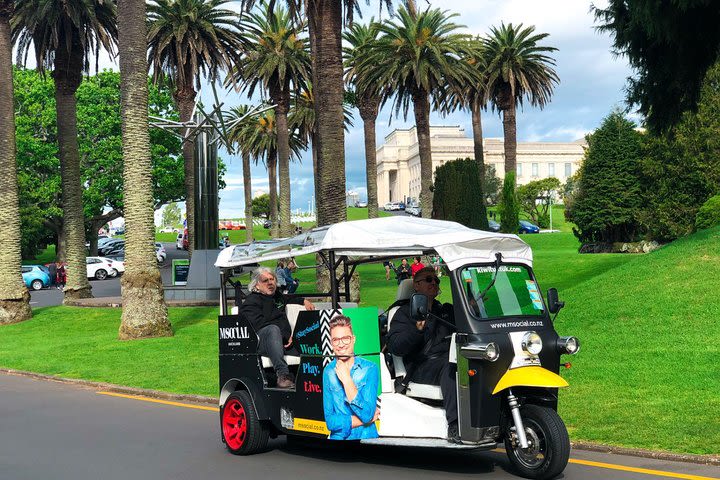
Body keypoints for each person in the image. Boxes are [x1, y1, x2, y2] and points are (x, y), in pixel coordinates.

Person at [386, 266, 459, 443]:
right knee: (451, 368)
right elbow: (396, 346)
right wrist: (417, 331)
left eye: (436, 280)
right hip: (421, 365)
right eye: (428, 280)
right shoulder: (403, 313)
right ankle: (456, 425)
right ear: (416, 286)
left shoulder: (446, 311)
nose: (433, 282)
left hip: (448, 357)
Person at [241, 267, 315, 389]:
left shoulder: (277, 297)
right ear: (257, 285)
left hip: (284, 342)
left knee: (307, 339)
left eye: (272, 279)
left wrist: (304, 301)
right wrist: (283, 336)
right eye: (265, 280)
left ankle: (314, 378)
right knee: (272, 329)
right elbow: (256, 325)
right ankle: (283, 375)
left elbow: (289, 298)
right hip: (261, 342)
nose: (270, 283)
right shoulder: (251, 301)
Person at [323, 315, 380, 440]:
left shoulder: (370, 369)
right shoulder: (328, 372)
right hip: (339, 439)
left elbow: (366, 414)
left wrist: (347, 380)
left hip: (367, 438)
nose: (341, 344)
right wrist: (364, 420)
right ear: (331, 343)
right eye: (336, 340)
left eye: (345, 338)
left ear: (353, 339)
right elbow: (330, 422)